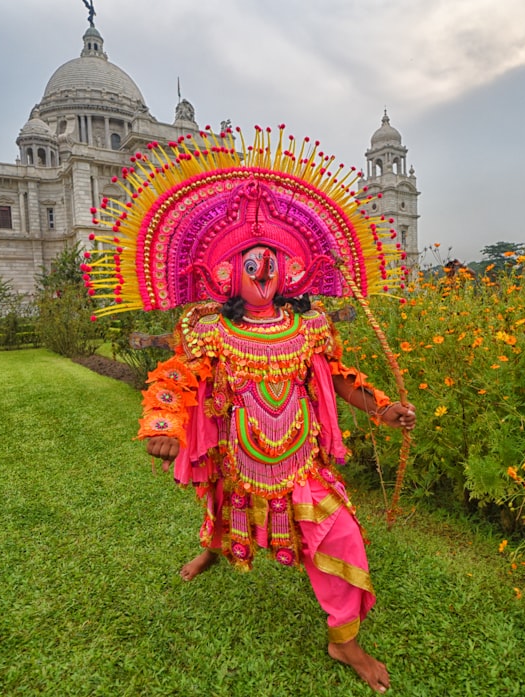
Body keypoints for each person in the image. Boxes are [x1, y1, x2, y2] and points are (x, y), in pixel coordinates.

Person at [84, 126, 413, 693]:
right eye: (252, 263)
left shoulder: (310, 324)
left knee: (339, 538)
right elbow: (177, 375)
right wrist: (163, 423)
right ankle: (212, 549)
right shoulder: (211, 327)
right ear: (225, 272)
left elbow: (338, 378)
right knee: (220, 502)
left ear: (292, 269)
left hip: (302, 462)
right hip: (241, 455)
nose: (264, 273)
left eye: (274, 263)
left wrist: (381, 409)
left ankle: (345, 641)